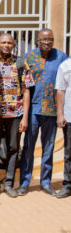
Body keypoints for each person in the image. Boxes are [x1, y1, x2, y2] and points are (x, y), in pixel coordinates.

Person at [18, 29, 67, 196]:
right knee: (28, 147)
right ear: (37, 41)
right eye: (44, 39)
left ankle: (45, 182)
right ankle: (24, 181)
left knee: (48, 147)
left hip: (52, 110)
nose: (47, 42)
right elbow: (23, 83)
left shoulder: (61, 57)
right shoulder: (29, 57)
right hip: (32, 109)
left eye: (50, 39)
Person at [0, 34, 34, 198]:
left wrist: (25, 117)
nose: (7, 45)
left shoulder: (21, 63)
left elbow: (27, 90)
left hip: (15, 114)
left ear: (14, 44)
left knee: (13, 148)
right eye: (4, 42)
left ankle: (8, 183)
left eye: (10, 43)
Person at [56, 54, 71, 198]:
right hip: (69, 115)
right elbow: (60, 90)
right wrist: (60, 114)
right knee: (69, 153)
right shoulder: (65, 66)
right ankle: (67, 184)